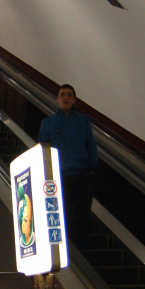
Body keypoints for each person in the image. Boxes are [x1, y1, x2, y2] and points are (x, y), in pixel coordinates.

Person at [37, 84, 99, 244]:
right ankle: (67, 247)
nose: (66, 97)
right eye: (62, 95)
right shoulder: (48, 123)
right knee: (63, 213)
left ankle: (80, 248)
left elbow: (90, 144)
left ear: (74, 100)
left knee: (83, 213)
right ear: (57, 99)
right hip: (59, 176)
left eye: (69, 95)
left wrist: (92, 169)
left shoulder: (83, 121)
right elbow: (43, 148)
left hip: (83, 175)